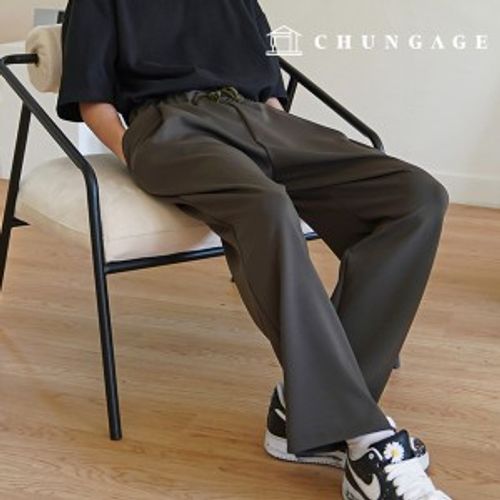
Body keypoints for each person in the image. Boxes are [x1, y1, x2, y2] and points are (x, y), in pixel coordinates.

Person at [56, 1, 452, 499]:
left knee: (417, 197)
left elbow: (270, 92)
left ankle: (301, 411)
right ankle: (365, 438)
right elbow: (93, 103)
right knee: (266, 206)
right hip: (169, 128)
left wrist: (281, 145)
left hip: (261, 121)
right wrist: (135, 153)